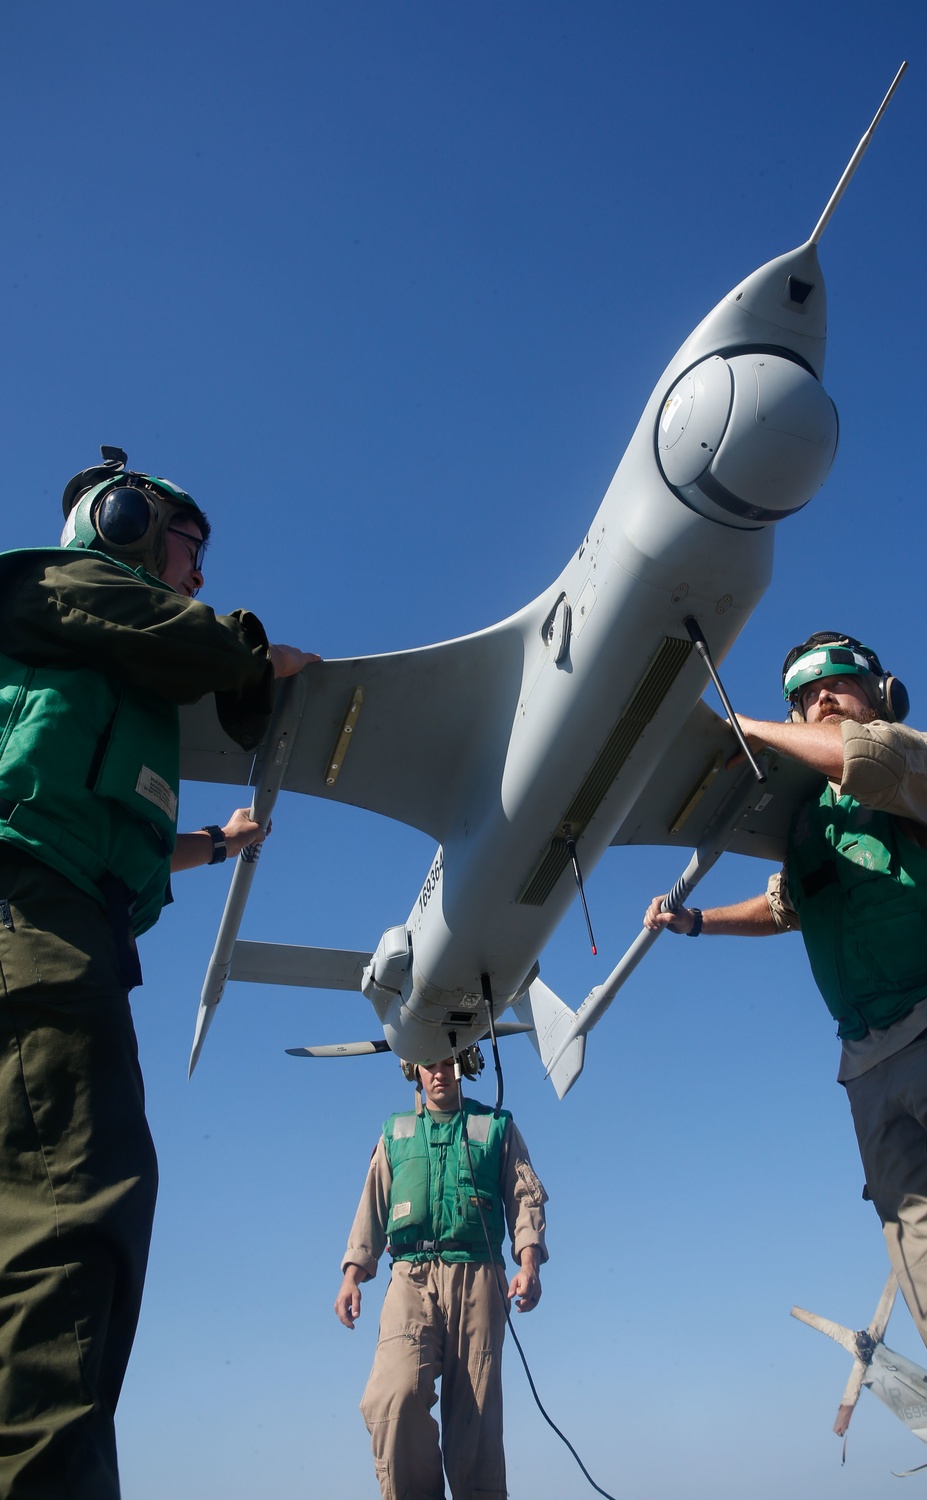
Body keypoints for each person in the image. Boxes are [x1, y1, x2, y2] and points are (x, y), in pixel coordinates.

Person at [0, 446, 319, 1498]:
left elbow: (112, 817)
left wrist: (219, 846)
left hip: (55, 918)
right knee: (68, 1234)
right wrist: (257, 657)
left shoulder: (84, 656)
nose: (197, 571)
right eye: (189, 546)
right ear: (127, 522)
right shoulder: (63, 585)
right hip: (35, 932)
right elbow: (212, 652)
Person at [644, 631, 927, 1468]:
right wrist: (696, 921)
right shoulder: (813, 826)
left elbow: (865, 757)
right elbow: (786, 903)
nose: (823, 702)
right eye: (808, 696)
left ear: (882, 693)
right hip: (870, 1070)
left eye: (840, 687)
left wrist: (750, 728)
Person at [335, 1048, 548, 1500]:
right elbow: (372, 1204)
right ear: (414, 1068)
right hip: (410, 1276)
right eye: (430, 1063)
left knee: (476, 1428)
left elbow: (524, 1196)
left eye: (449, 1061)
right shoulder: (395, 1133)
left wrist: (528, 1263)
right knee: (392, 1398)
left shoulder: (495, 1127)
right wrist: (353, 1273)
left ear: (464, 1065)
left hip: (478, 1275)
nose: (440, 1072)